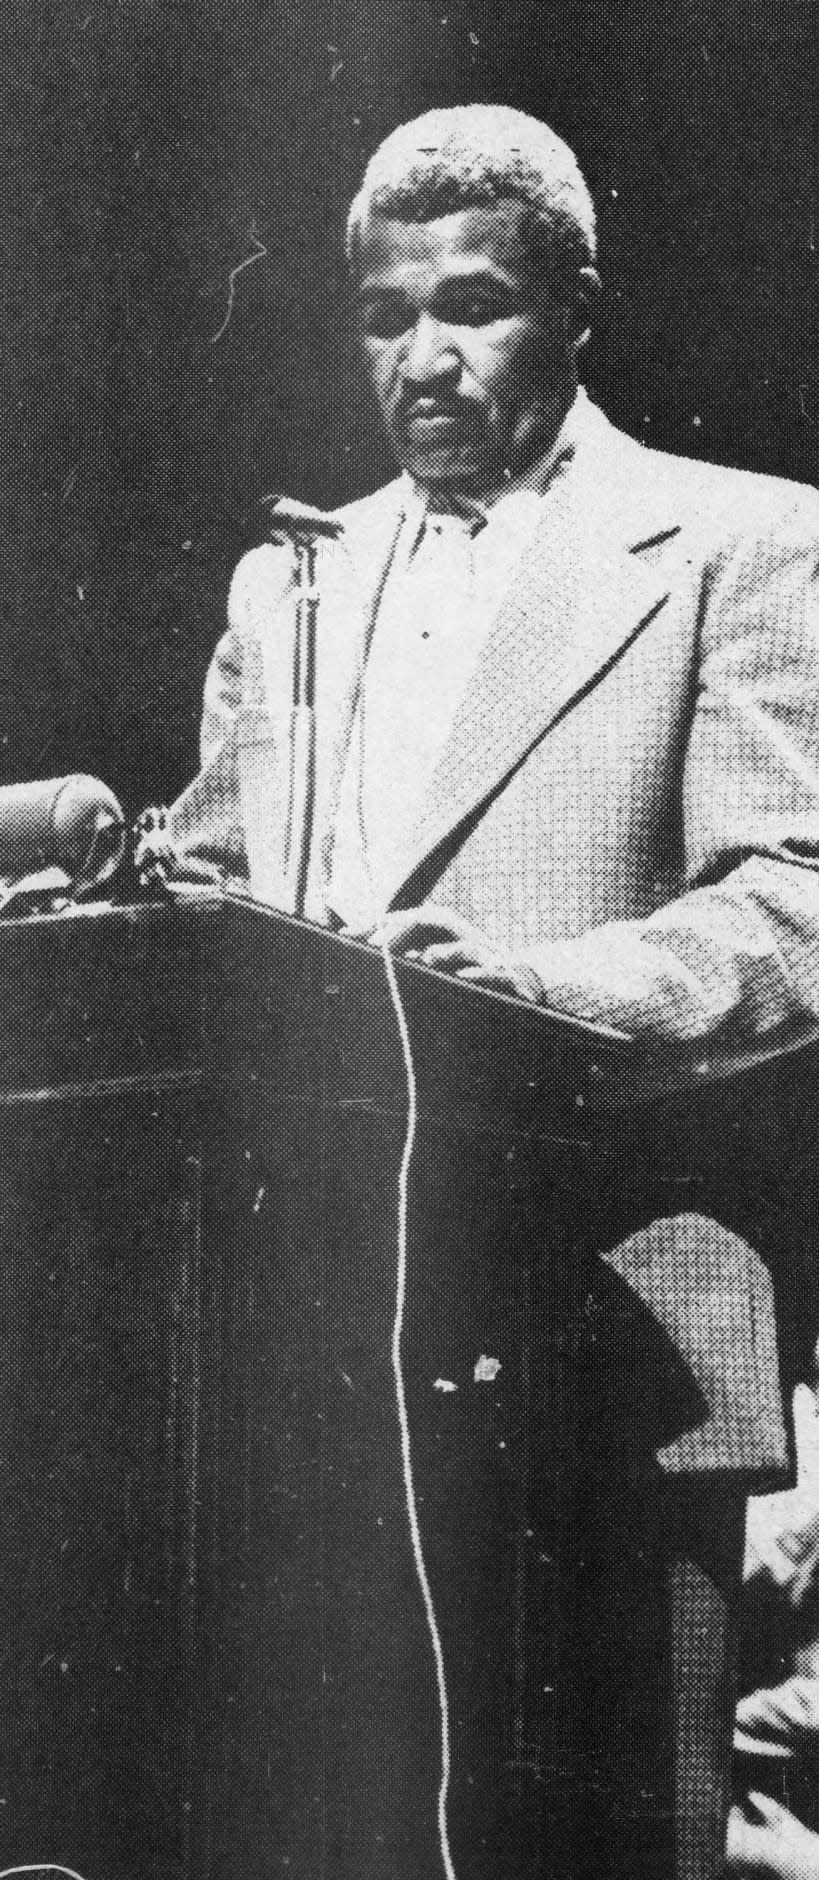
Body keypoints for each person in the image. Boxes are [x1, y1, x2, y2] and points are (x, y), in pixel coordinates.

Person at [167, 101, 819, 1048]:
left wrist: (537, 991)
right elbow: (207, 892)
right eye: (387, 318)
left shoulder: (748, 542)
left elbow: (794, 905)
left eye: (473, 310)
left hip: (595, 1168)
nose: (423, 361)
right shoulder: (288, 579)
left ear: (576, 312)